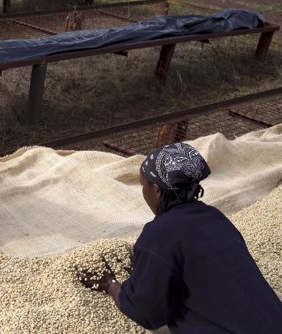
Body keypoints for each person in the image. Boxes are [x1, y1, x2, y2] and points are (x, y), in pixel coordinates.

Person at [79, 142, 282, 332]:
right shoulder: (214, 217)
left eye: (143, 186)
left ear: (157, 191)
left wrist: (109, 284)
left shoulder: (158, 234)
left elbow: (147, 313)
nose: (143, 192)